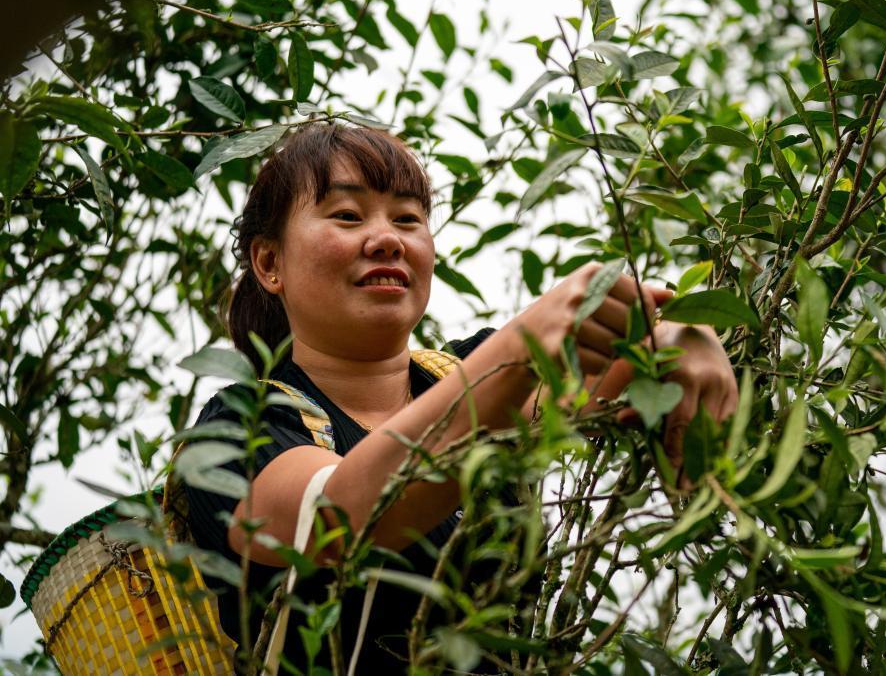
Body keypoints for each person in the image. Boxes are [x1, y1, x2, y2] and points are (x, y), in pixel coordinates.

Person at [183, 124, 738, 673]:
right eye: (347, 216)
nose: (387, 239)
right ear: (269, 263)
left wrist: (681, 336)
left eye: (408, 219)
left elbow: (621, 378)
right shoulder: (234, 429)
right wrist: (521, 347)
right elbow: (335, 520)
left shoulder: (468, 369)